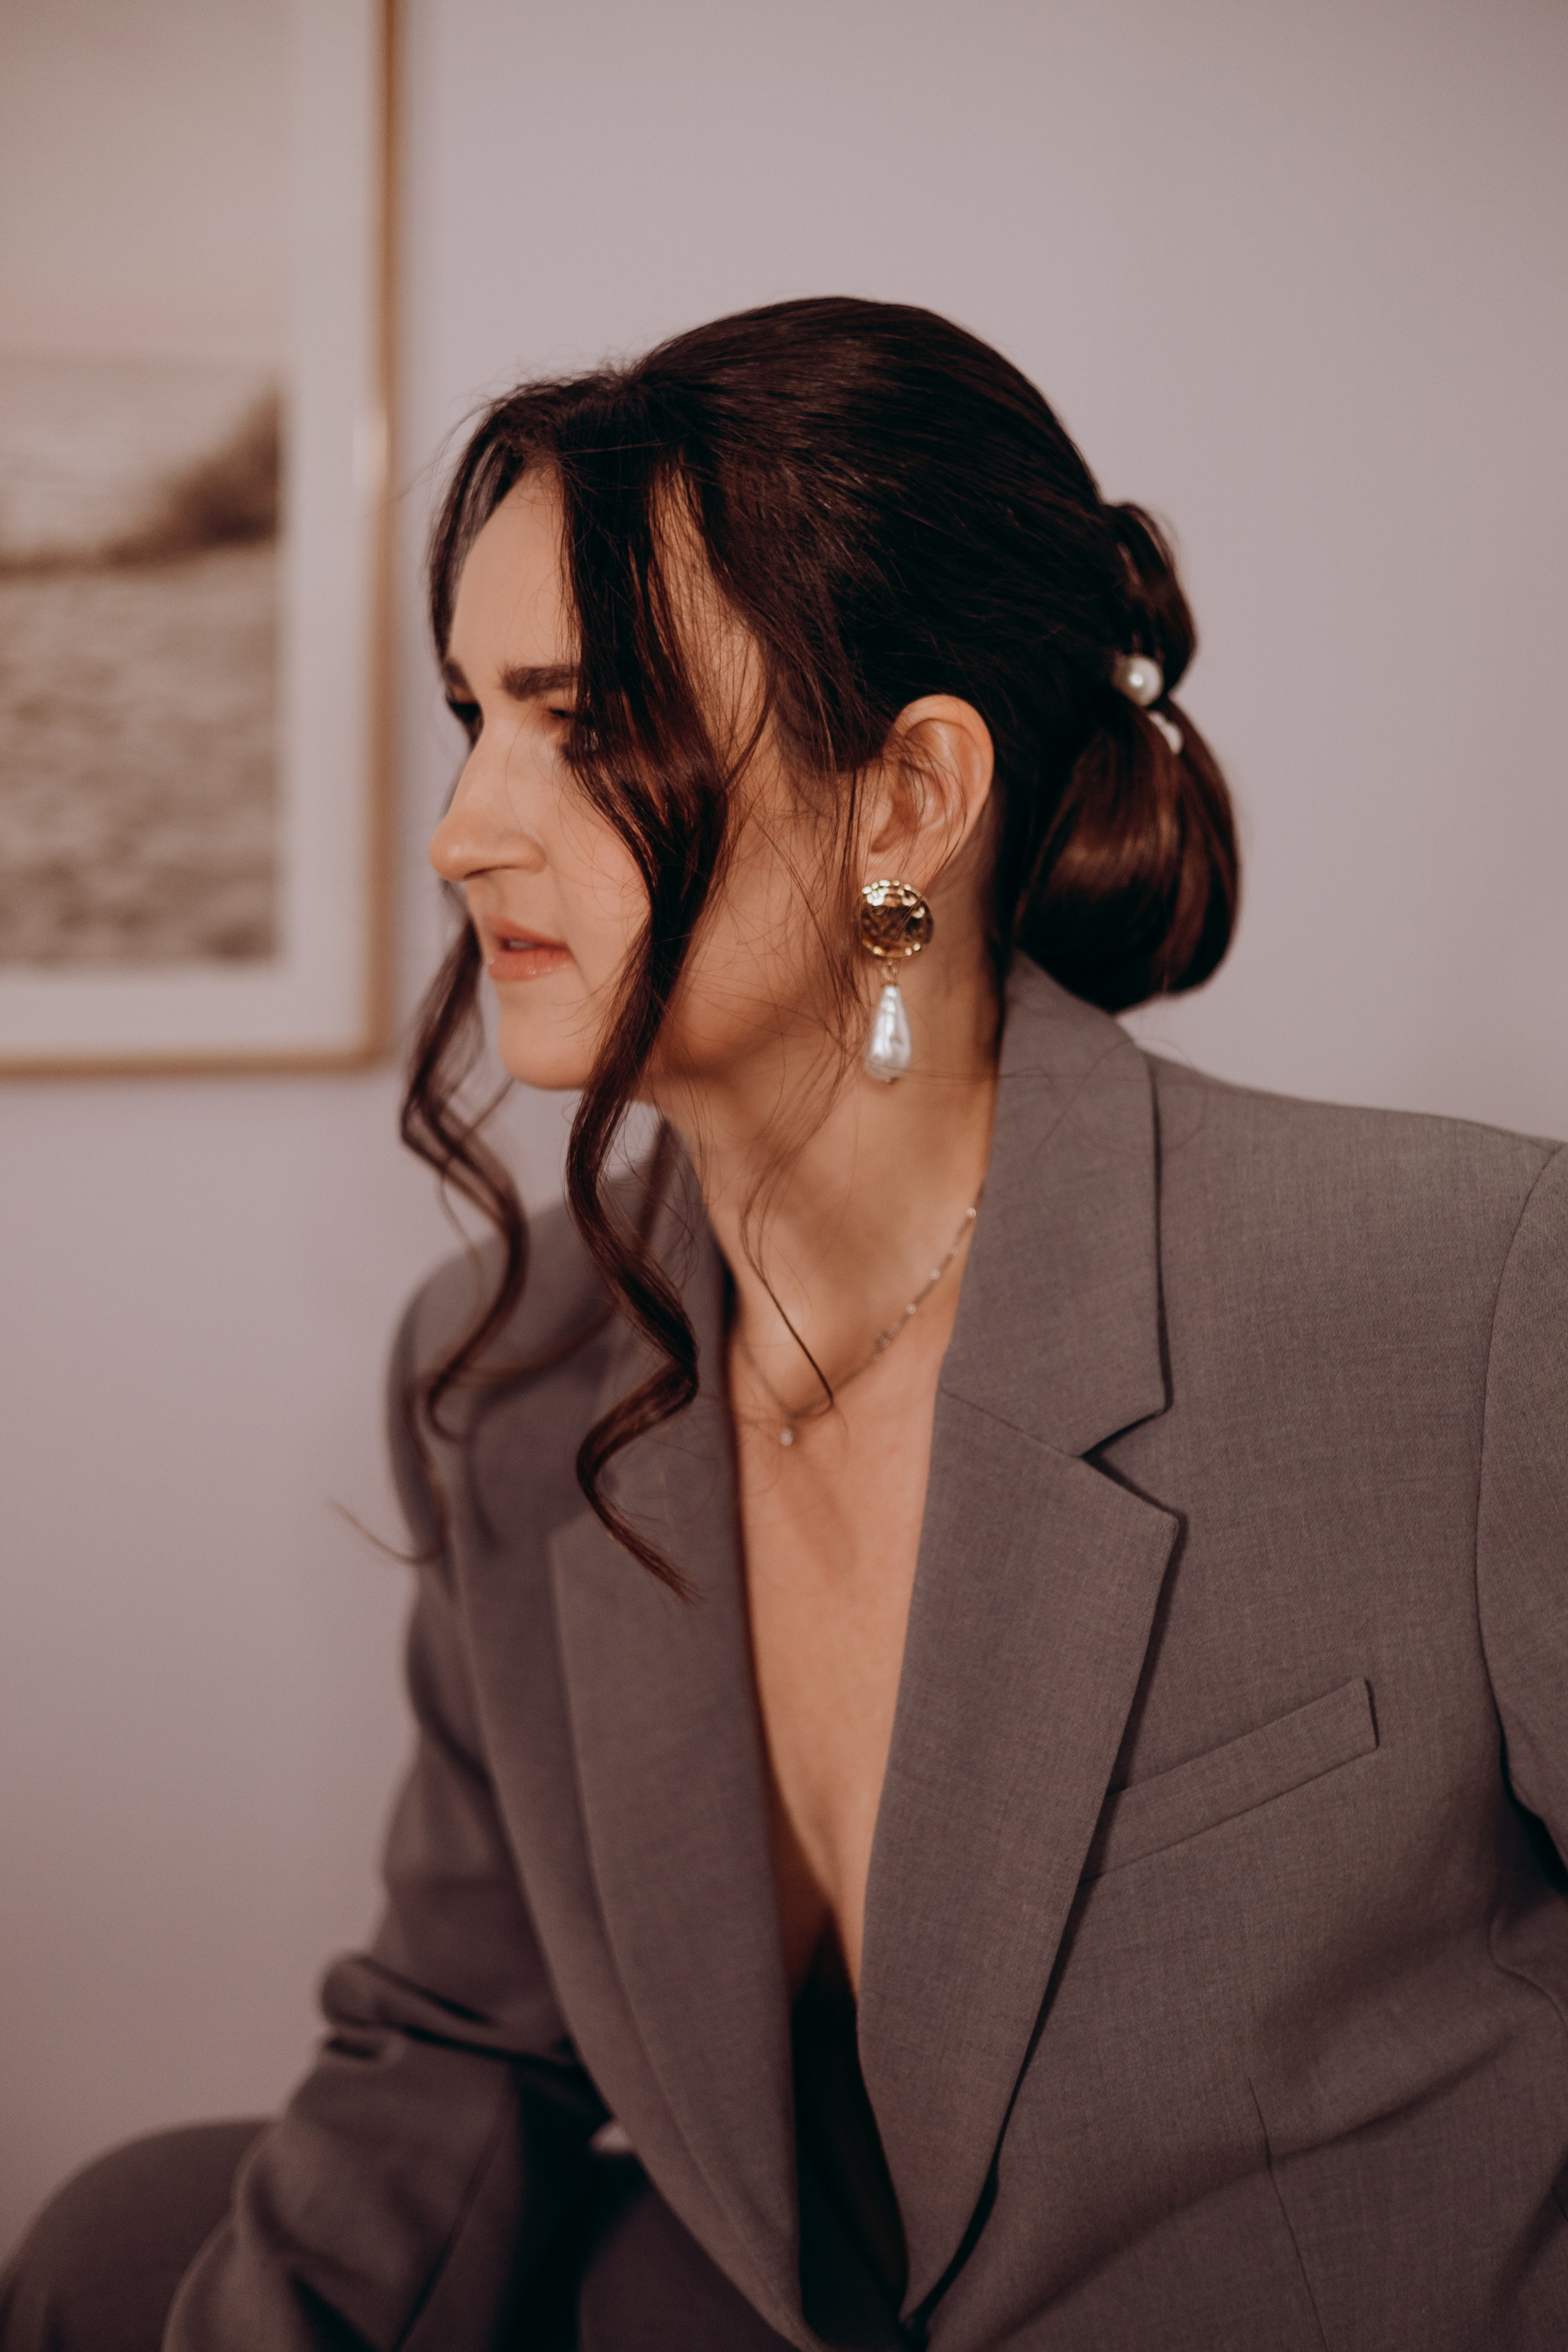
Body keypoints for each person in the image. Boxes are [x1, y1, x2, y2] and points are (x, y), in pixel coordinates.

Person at [3, 296, 1564, 2352]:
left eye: (584, 725)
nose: (465, 829)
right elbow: (462, 2033)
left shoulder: (1465, 1291)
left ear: (907, 802)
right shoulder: (504, 1371)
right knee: (128, 2243)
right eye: (472, 717)